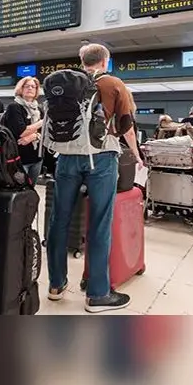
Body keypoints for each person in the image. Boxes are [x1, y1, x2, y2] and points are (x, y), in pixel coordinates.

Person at [46, 43, 135, 313]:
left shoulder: (64, 83)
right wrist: (136, 153)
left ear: (82, 60)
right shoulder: (113, 83)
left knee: (59, 220)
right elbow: (126, 125)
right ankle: (97, 294)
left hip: (65, 157)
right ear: (105, 60)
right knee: (99, 223)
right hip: (101, 158)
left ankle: (56, 285)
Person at [3, 76, 45, 184]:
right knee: (20, 189)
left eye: (33, 86)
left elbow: (46, 132)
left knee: (32, 189)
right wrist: (42, 122)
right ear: (21, 89)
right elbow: (21, 132)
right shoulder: (14, 107)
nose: (30, 88)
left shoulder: (39, 109)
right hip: (19, 158)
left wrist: (35, 136)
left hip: (37, 157)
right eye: (27, 86)